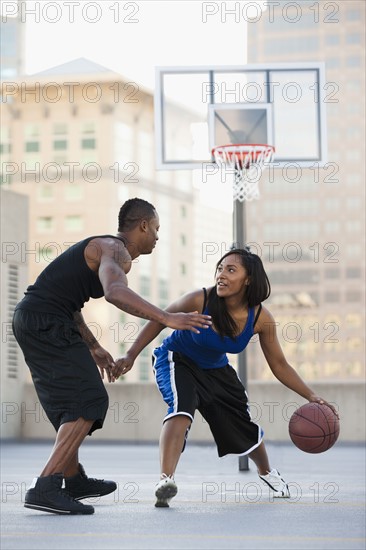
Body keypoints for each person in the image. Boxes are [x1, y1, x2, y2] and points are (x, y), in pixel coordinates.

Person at [12, 197, 211, 515]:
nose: (158, 237)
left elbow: (70, 303)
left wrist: (93, 346)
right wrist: (168, 317)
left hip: (37, 318)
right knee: (88, 401)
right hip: (46, 320)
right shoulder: (115, 249)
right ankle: (45, 487)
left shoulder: (104, 250)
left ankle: (73, 480)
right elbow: (114, 292)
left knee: (70, 406)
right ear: (143, 225)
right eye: (156, 229)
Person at [113, 247, 338, 507]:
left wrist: (311, 396)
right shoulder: (200, 299)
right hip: (177, 358)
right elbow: (159, 319)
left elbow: (279, 364)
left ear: (248, 279)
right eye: (220, 268)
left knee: (240, 425)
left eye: (231, 270)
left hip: (217, 370)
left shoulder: (261, 318)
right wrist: (130, 355)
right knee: (181, 409)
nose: (221, 275)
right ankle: (165, 480)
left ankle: (267, 473)